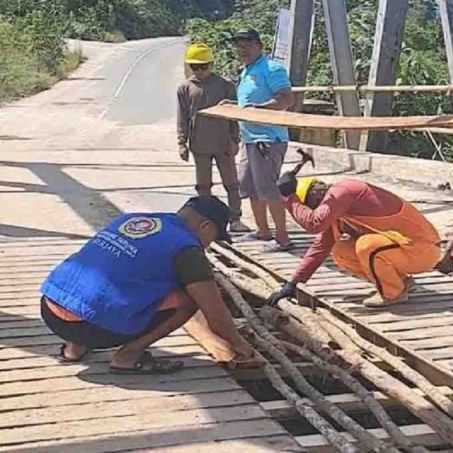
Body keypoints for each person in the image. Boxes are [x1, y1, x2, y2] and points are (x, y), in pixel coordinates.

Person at [40, 196, 262, 373]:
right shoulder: (187, 249)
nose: (209, 244)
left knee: (96, 285)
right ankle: (128, 357)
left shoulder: (132, 219)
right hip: (93, 329)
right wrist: (239, 344)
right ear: (205, 226)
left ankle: (73, 348)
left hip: (51, 309)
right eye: (213, 237)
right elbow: (214, 312)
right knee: (188, 299)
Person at [266, 177, 441, 308]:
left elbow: (314, 223)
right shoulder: (339, 210)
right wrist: (293, 283)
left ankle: (393, 293)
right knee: (341, 251)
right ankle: (400, 283)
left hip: (422, 249)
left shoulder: (345, 191)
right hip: (404, 250)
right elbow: (319, 248)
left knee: (366, 245)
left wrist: (290, 199)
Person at [231, 28, 295, 251]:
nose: (243, 49)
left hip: (268, 138)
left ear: (260, 45)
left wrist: (258, 109)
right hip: (249, 138)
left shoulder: (272, 68)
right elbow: (246, 104)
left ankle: (283, 238)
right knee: (249, 185)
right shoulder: (247, 71)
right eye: (239, 45)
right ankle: (263, 231)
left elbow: (286, 99)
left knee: (268, 188)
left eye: (247, 44)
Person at [177, 43, 249, 233]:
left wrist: (235, 140)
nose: (200, 71)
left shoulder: (225, 85)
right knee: (203, 186)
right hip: (199, 145)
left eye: (204, 66)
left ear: (211, 64)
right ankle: (206, 221)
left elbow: (235, 114)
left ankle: (235, 218)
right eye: (195, 67)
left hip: (223, 144)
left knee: (232, 184)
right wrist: (181, 143)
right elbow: (182, 117)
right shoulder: (185, 88)